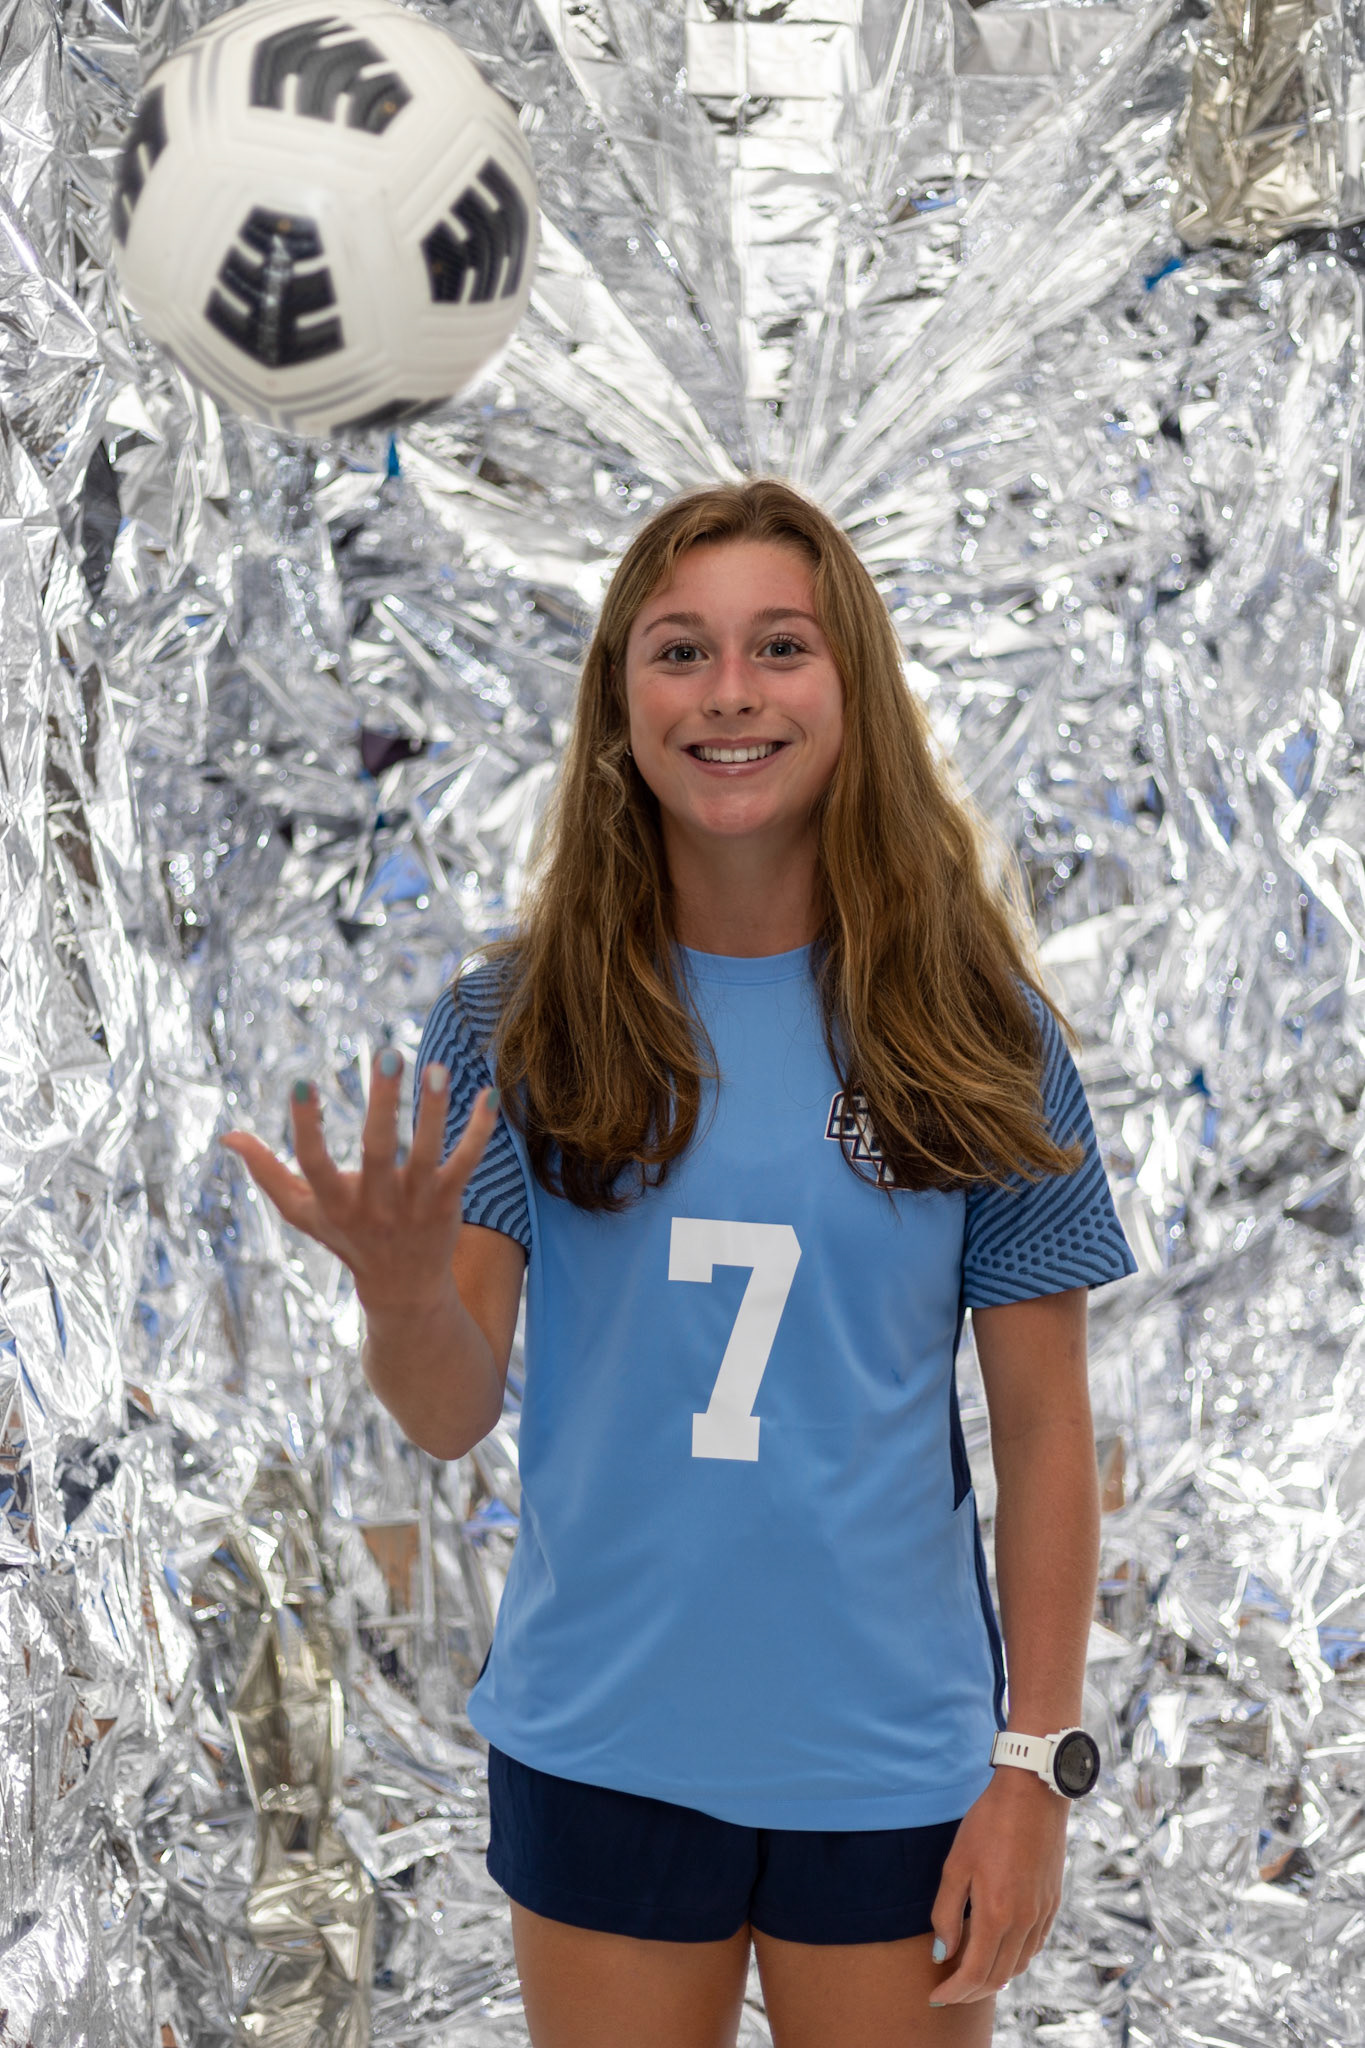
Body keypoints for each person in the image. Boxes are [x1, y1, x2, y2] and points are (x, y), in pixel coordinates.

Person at [223, 478, 1136, 2048]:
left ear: (850, 690)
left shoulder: (971, 1029)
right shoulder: (519, 1025)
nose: (728, 693)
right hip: (604, 1748)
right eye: (678, 651)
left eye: (778, 647)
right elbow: (449, 1412)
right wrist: (392, 1289)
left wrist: (1031, 1764)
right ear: (616, 704)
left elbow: (1047, 1426)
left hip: (891, 1766)